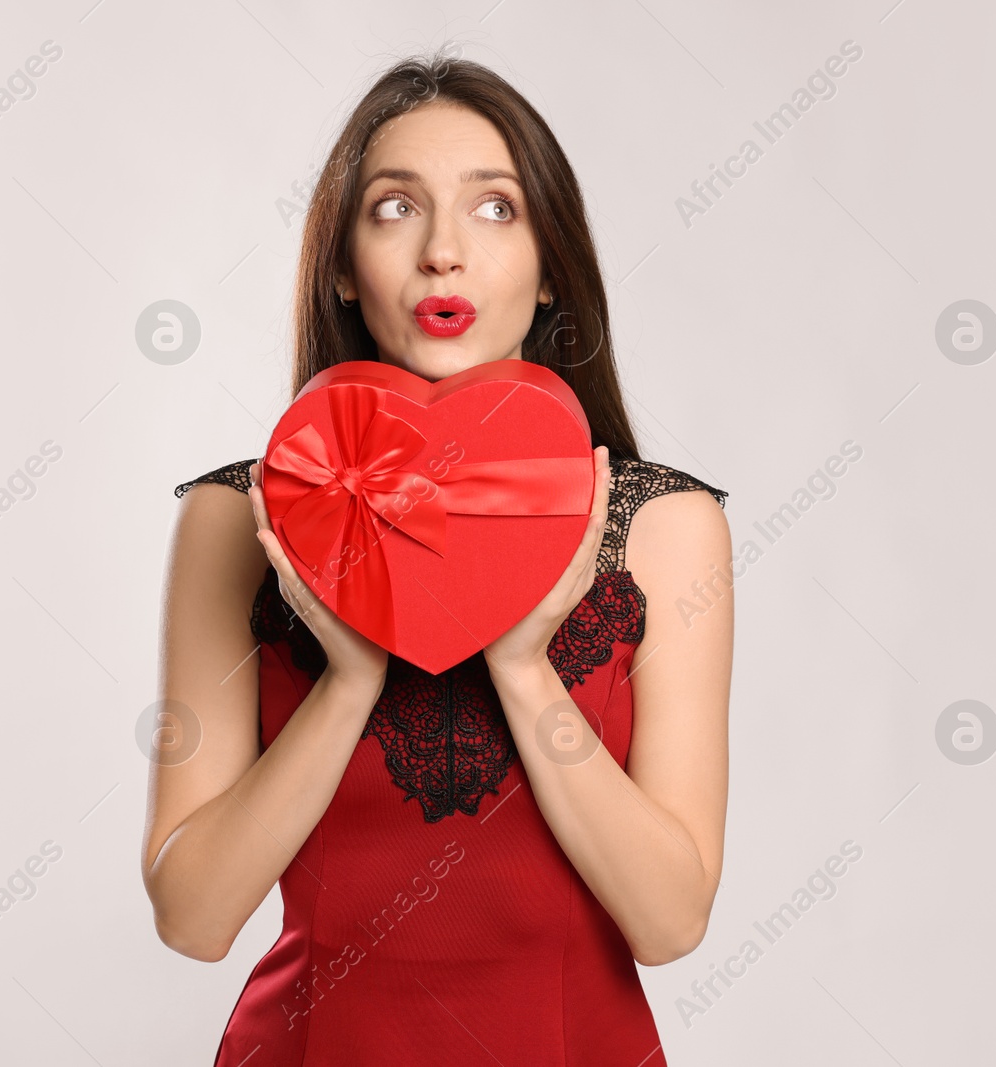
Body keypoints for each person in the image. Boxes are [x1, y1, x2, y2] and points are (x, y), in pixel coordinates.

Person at [141, 51, 733, 1065]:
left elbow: (670, 921)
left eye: (495, 209)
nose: (443, 253)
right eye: (393, 208)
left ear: (553, 268)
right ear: (339, 262)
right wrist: (349, 677)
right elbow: (193, 917)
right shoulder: (234, 518)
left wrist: (519, 661)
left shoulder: (662, 524)